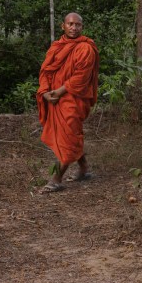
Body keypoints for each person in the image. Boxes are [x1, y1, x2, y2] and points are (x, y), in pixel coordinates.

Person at [36, 12, 100, 193]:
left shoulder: (85, 48)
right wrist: (45, 92)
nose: (74, 27)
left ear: (82, 27)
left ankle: (56, 179)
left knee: (69, 137)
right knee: (72, 136)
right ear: (63, 26)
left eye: (77, 25)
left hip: (73, 99)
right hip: (55, 99)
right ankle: (84, 168)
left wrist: (58, 92)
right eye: (70, 24)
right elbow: (46, 71)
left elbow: (81, 78)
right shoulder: (56, 47)